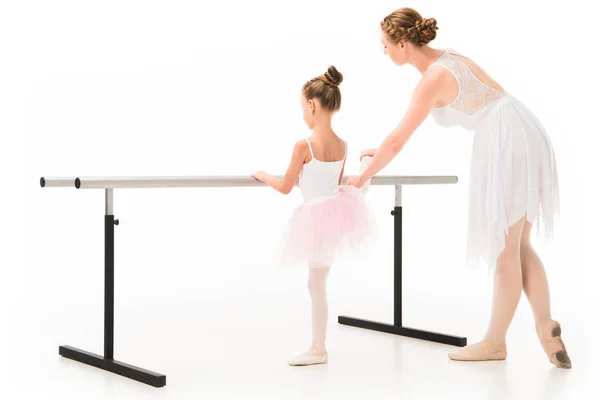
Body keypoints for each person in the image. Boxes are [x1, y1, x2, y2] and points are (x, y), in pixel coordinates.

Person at [346, 7, 570, 368]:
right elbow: (397, 139)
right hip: (523, 129)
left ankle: (495, 343)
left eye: (386, 45)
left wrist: (363, 176)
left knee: (504, 249)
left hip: (506, 139)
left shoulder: (432, 79)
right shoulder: (449, 57)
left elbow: (397, 141)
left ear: (403, 44)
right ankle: (545, 326)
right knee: (519, 242)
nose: (384, 52)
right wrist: (377, 155)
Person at [252, 66, 374, 366]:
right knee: (317, 281)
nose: (303, 114)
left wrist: (266, 175)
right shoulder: (343, 145)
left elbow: (284, 187)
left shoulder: (303, 145)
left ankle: (319, 348)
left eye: (302, 108)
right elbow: (336, 182)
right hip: (335, 213)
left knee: (316, 284)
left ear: (312, 105)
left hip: (316, 217)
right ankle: (318, 345)